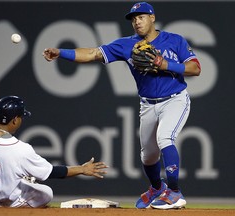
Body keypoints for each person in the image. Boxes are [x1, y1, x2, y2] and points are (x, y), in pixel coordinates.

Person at [43, 1, 201, 210]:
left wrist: (165, 64)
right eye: (134, 19)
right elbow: (93, 53)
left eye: (141, 17)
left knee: (165, 138)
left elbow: (195, 68)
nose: (137, 22)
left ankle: (174, 192)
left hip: (175, 99)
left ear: (152, 18)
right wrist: (61, 52)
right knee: (148, 155)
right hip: (147, 104)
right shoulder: (126, 44)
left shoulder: (174, 40)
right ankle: (156, 188)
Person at [0, 96, 108, 207]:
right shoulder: (20, 149)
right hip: (6, 202)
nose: (21, 120)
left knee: (14, 178)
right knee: (46, 193)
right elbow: (52, 172)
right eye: (20, 117)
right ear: (14, 120)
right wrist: (82, 169)